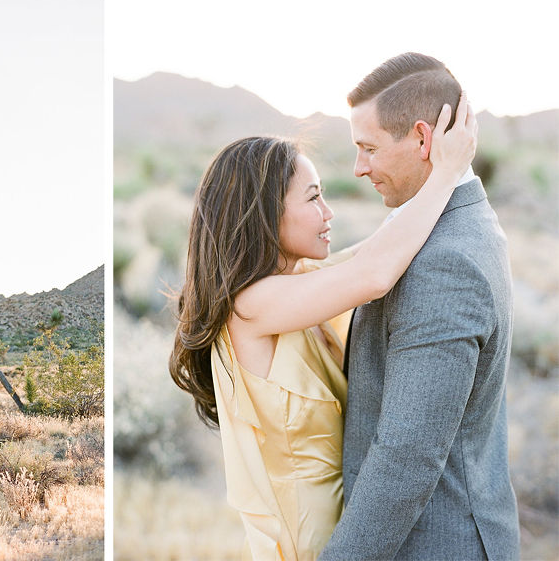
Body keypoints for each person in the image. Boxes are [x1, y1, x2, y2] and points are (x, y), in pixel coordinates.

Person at [169, 93, 477, 558]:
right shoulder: (250, 307)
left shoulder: (300, 283)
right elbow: (374, 273)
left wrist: (430, 168)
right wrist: (448, 173)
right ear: (264, 213)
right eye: (313, 198)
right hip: (305, 547)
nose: (328, 212)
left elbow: (385, 247)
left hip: (350, 535)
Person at [319, 53, 519, 560]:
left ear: (423, 139)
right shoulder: (453, 222)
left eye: (368, 148)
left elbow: (406, 459)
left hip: (439, 543)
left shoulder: (444, 263)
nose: (358, 167)